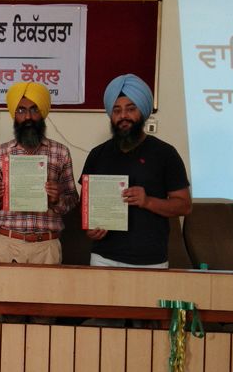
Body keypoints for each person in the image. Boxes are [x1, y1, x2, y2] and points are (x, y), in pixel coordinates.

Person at [81, 74, 192, 268]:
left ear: (143, 111)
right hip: (103, 258)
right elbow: (85, 204)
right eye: (117, 110)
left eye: (131, 109)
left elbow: (184, 206)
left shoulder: (165, 153)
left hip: (149, 261)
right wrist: (89, 229)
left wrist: (147, 201)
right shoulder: (97, 155)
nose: (123, 116)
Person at [0, 82, 79, 265]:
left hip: (47, 246)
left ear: (42, 113)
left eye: (34, 110)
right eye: (21, 110)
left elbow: (73, 200)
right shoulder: (0, 153)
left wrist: (57, 199)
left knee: (49, 286)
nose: (28, 117)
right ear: (14, 114)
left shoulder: (60, 152)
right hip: (9, 244)